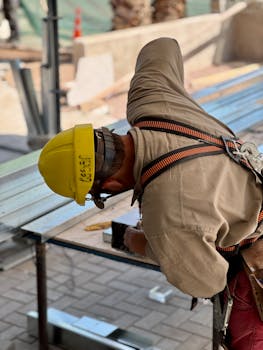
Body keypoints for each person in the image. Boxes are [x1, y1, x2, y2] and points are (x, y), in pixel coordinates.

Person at [38, 37, 263, 349]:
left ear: (108, 185)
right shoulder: (149, 101)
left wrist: (143, 242)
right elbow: (163, 46)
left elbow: (208, 280)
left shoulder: (168, 213)